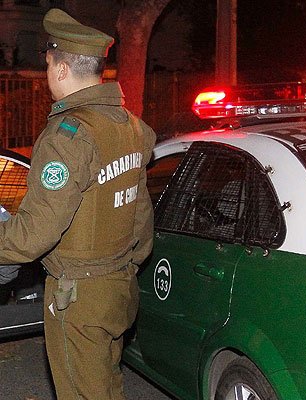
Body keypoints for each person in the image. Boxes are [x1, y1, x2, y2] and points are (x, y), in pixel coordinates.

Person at [0, 8, 156, 400]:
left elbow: (34, 235)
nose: (49, 72)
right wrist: (125, 267)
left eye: (49, 63)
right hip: (119, 288)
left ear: (62, 69)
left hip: (79, 297)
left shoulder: (67, 138)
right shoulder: (130, 126)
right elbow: (139, 214)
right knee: (105, 387)